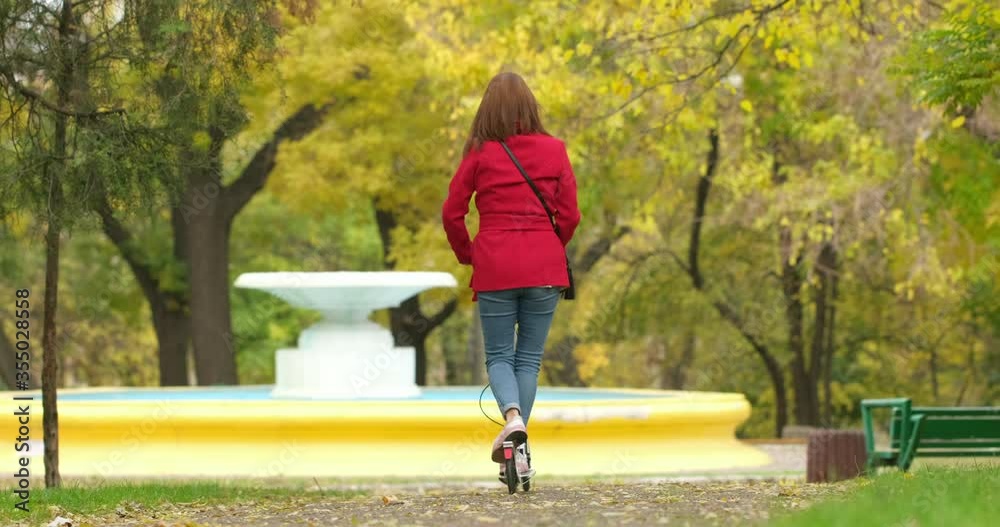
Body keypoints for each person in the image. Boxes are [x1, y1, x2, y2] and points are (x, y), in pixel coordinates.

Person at [441, 71, 581, 480]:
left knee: (500, 355)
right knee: (529, 360)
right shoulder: (555, 150)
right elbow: (571, 214)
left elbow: (452, 211)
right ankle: (519, 453)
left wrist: (468, 254)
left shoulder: (480, 152)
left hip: (495, 265)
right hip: (545, 268)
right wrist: (551, 244)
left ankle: (513, 421)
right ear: (530, 107)